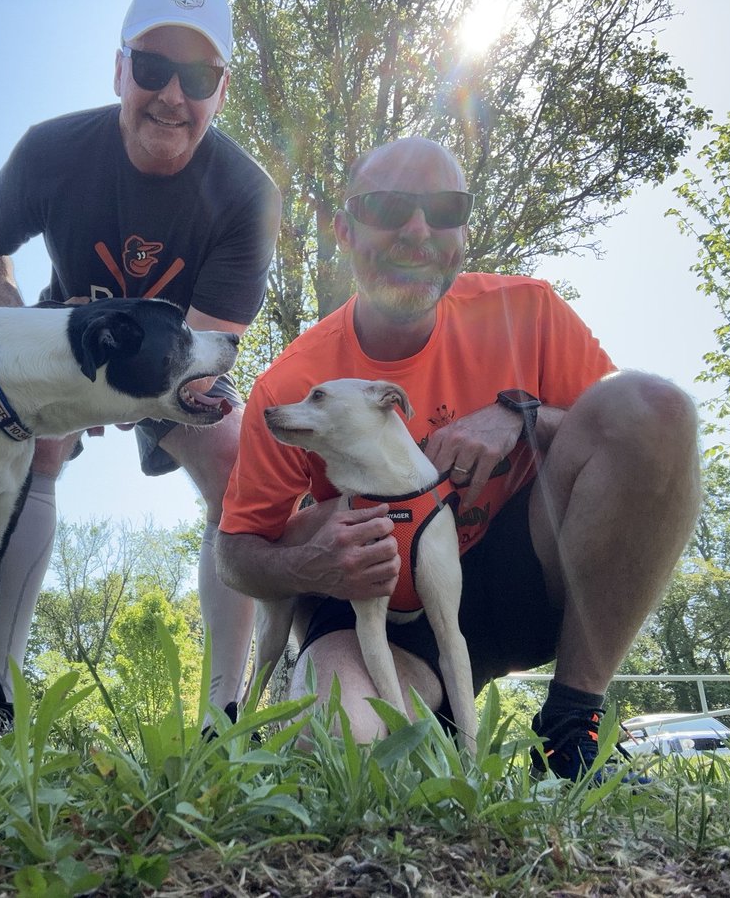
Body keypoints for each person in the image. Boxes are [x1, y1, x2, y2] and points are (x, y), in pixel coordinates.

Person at [216, 136, 701, 780]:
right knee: (334, 742)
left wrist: (517, 416)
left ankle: (571, 728)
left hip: (511, 579)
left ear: (463, 231)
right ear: (344, 229)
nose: (418, 228)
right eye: (388, 207)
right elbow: (236, 554)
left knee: (655, 405)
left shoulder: (526, 310)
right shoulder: (289, 386)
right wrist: (310, 562)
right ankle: (423, 721)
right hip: (375, 615)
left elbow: (632, 444)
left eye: (445, 208)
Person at [0, 0, 281, 728]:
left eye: (198, 76)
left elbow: (198, 355)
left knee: (237, 458)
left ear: (221, 91)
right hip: (67, 334)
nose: (173, 95)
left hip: (181, 355)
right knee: (32, 450)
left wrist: (113, 401)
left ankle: (223, 716)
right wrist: (16, 324)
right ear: (118, 71)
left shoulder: (249, 196)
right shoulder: (52, 150)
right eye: (153, 67)